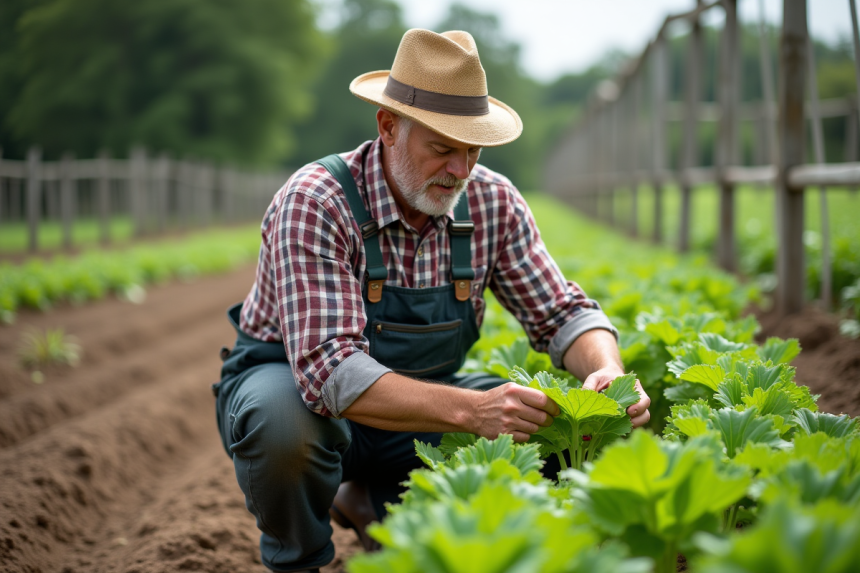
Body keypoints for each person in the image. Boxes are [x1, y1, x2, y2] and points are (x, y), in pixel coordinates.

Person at [213, 28, 651, 573]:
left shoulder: (492, 201)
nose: (461, 170)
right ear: (389, 125)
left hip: (421, 409)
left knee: (559, 428)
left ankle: (372, 503)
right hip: (310, 404)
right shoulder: (316, 201)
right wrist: (475, 410)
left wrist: (607, 372)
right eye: (442, 149)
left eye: (472, 150)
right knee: (281, 427)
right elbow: (331, 374)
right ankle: (300, 560)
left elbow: (562, 312)